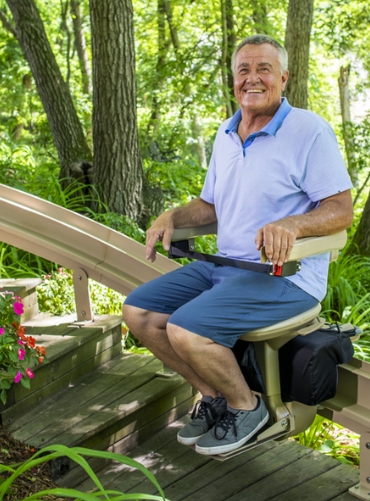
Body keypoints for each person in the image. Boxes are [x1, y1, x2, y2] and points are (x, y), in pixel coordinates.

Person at [123, 34, 354, 456]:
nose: (252, 78)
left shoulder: (309, 131)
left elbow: (341, 210)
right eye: (243, 70)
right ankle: (213, 395)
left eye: (263, 68)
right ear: (233, 81)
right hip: (223, 268)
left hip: (286, 277)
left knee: (185, 329)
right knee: (138, 313)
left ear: (284, 77)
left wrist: (294, 225)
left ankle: (247, 408)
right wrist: (171, 217)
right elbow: (211, 207)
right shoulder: (226, 133)